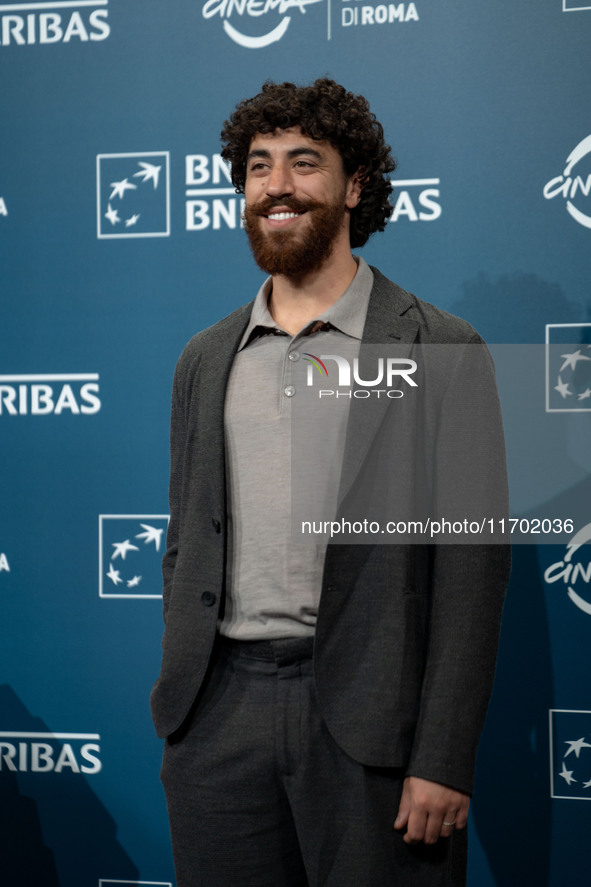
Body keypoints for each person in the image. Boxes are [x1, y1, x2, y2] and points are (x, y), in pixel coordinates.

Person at [151, 78, 510, 887]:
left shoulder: (440, 348)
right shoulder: (204, 359)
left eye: (303, 163)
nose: (276, 185)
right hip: (216, 724)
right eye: (257, 166)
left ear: (354, 187)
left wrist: (443, 756)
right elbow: (187, 541)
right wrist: (185, 717)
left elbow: (471, 573)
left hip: (372, 727)